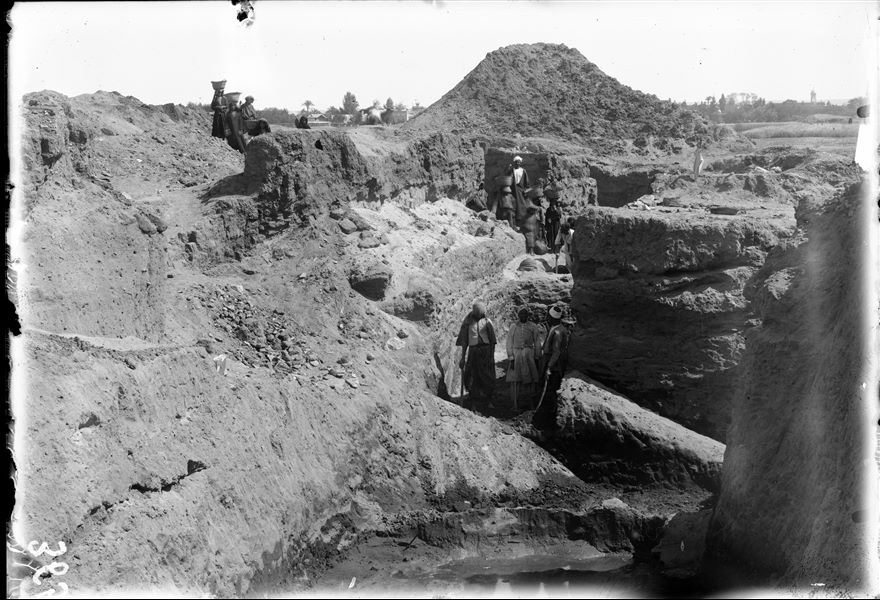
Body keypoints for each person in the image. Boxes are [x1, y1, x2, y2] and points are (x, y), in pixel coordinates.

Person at [533, 305, 570, 430]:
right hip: (550, 360)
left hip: (554, 364)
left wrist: (549, 366)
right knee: (547, 386)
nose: (547, 318)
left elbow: (556, 352)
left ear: (552, 317)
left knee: (551, 387)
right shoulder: (556, 328)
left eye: (548, 316)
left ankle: (548, 414)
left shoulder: (558, 332)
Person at [455, 301, 497, 408]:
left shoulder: (487, 322)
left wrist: (491, 356)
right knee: (472, 375)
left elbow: (492, 341)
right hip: (473, 352)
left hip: (486, 351)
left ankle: (488, 399)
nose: (480, 317)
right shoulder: (468, 323)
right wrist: (463, 358)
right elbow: (465, 341)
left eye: (481, 315)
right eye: (478, 315)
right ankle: (473, 401)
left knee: (487, 375)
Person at [506, 307, 543, 410]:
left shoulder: (533, 326)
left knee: (530, 378)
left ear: (528, 316)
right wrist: (511, 358)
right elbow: (509, 342)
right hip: (516, 354)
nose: (523, 316)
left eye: (525, 314)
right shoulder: (513, 326)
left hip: (528, 355)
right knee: (515, 379)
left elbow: (537, 342)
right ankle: (515, 404)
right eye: (521, 314)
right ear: (518, 315)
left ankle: (531, 404)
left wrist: (537, 357)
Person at [506, 156, 531, 227]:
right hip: (513, 189)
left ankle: (521, 219)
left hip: (521, 190)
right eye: (516, 162)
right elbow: (508, 177)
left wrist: (526, 190)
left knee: (522, 204)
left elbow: (527, 182)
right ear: (514, 163)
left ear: (520, 163)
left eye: (519, 162)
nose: (517, 163)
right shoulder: (512, 170)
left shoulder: (523, 171)